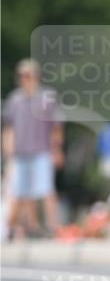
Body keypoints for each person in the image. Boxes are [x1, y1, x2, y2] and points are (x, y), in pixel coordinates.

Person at [1, 59, 63, 237]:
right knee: (18, 193)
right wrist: (7, 151)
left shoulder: (46, 98)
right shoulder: (15, 99)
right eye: (21, 75)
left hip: (41, 151)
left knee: (46, 191)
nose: (23, 79)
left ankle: (53, 227)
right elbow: (8, 128)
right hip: (20, 153)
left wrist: (57, 150)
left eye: (27, 75)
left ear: (35, 76)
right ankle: (21, 229)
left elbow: (56, 127)